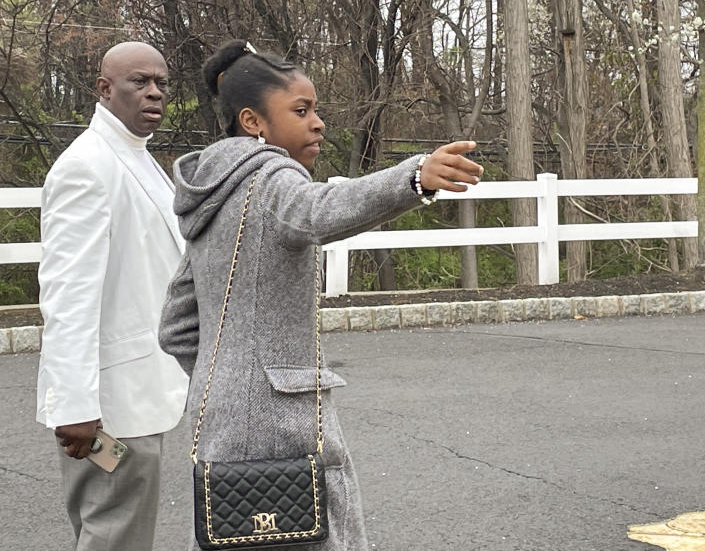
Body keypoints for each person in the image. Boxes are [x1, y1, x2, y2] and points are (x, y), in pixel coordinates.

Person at [158, 40, 483, 550]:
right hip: (279, 422)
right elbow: (316, 209)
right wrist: (413, 177)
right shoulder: (270, 178)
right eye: (301, 110)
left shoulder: (210, 197)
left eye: (316, 110)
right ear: (253, 122)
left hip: (219, 420)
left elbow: (176, 326)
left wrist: (227, 380)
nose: (318, 123)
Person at [36, 41, 189, 551]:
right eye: (138, 81)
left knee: (120, 530)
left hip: (139, 393)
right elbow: (69, 296)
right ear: (104, 89)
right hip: (107, 409)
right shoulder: (88, 166)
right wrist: (76, 407)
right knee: (112, 533)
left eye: (161, 83)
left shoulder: (138, 158)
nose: (154, 92)